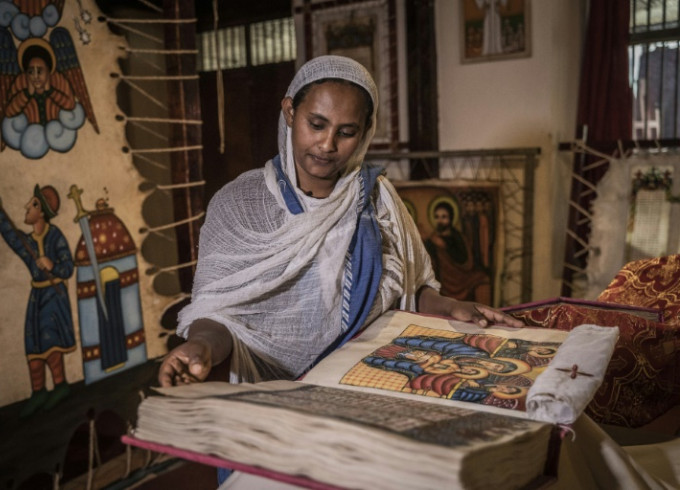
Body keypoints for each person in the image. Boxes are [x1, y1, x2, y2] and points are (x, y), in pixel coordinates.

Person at [158, 55, 522, 390]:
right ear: (289, 112)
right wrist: (202, 345)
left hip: (368, 386)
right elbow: (217, 312)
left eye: (346, 132)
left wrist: (452, 307)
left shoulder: (378, 200)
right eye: (316, 124)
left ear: (365, 132)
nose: (327, 144)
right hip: (267, 396)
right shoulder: (239, 205)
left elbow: (414, 290)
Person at [0, 183, 76, 417]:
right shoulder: (28, 242)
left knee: (51, 343)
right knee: (33, 345)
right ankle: (38, 392)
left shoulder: (54, 236)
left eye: (33, 204)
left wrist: (53, 265)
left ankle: (60, 385)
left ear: (42, 211)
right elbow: (12, 237)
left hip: (54, 296)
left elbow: (68, 266)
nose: (27, 207)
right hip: (37, 296)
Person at [424, 200, 492, 303]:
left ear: (450, 218)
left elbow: (464, 260)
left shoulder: (458, 236)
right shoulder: (433, 239)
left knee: (482, 278)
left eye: (444, 217)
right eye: (437, 217)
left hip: (461, 277)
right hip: (443, 279)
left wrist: (445, 246)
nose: (440, 221)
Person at [4, 38, 76, 125]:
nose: (35, 76)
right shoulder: (20, 82)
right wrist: (27, 94)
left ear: (48, 71)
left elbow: (70, 105)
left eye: (39, 71)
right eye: (31, 72)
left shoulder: (58, 79)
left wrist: (50, 91)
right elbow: (9, 112)